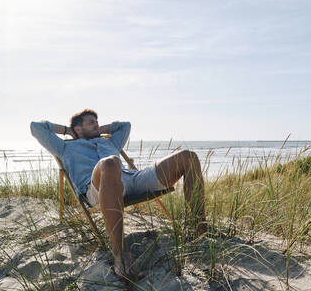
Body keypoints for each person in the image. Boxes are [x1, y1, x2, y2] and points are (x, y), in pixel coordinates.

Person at [30, 108, 206, 280]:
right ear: (78, 128)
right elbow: (35, 127)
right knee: (110, 162)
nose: (97, 125)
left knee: (187, 156)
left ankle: (200, 228)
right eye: (91, 123)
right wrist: (68, 131)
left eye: (97, 122)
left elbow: (125, 126)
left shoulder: (111, 142)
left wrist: (99, 130)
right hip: (97, 187)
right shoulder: (63, 147)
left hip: (131, 179)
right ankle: (121, 255)